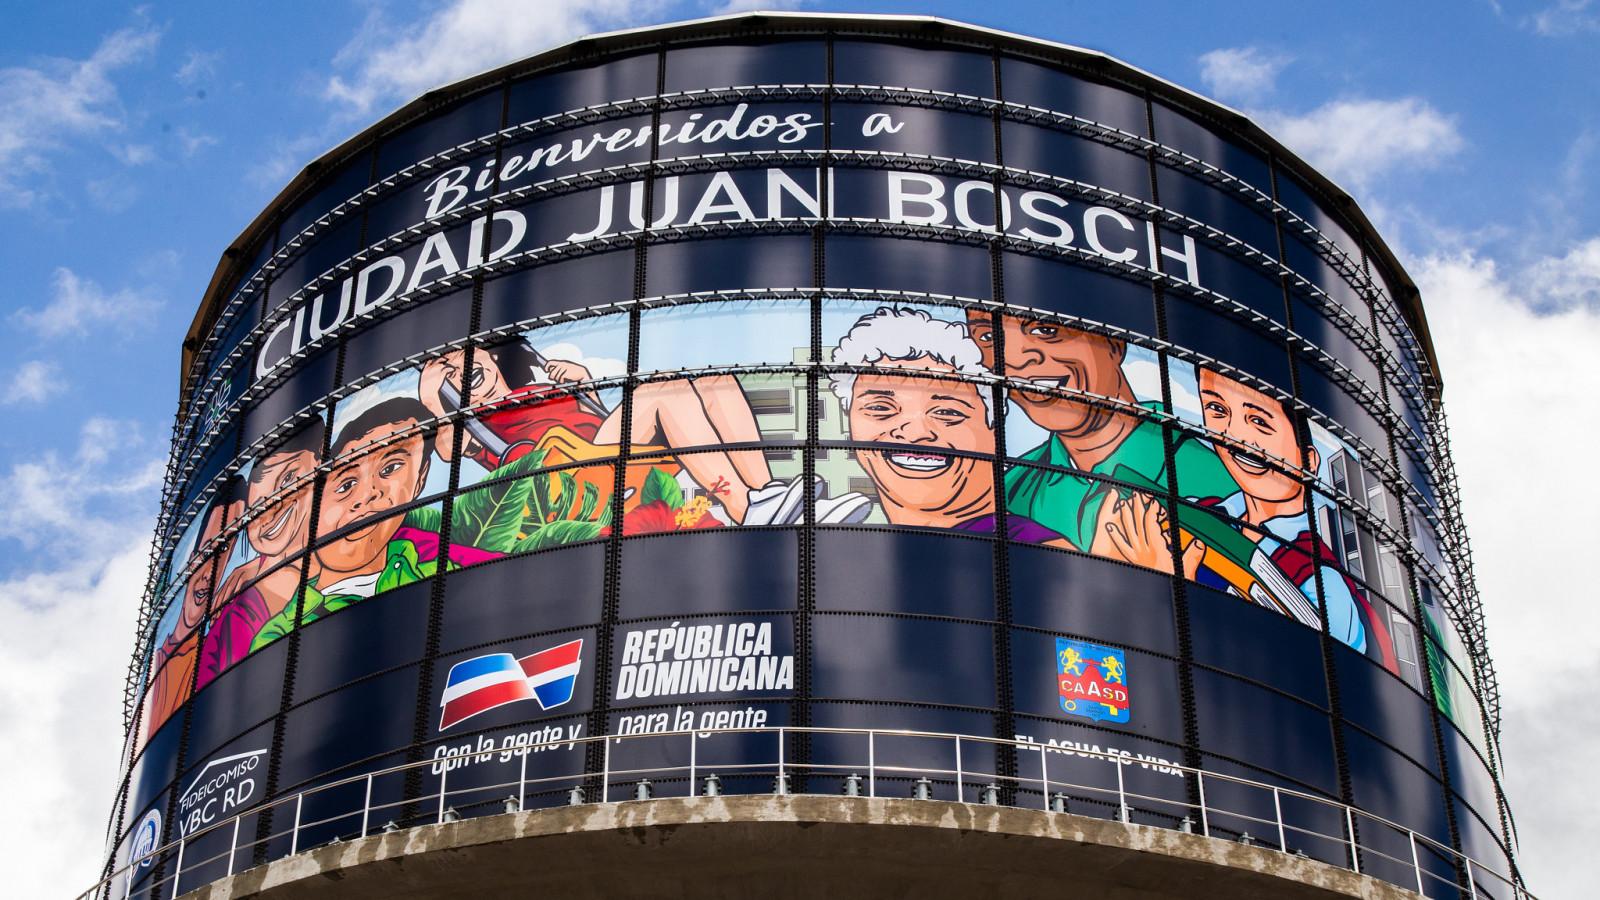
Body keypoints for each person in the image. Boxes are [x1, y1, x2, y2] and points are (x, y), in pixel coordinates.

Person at [420, 340, 865, 525]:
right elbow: (444, 448)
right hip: (561, 475)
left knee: (713, 381)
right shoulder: (469, 425)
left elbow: (596, 419)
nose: (455, 369)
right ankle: (745, 507)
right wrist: (432, 400)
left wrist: (583, 383)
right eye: (442, 371)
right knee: (661, 394)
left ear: (492, 358)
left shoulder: (537, 390)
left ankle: (766, 492)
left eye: (459, 357)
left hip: (597, 454)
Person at [965, 311, 1236, 568]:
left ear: (1114, 342)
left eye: (1046, 330)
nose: (1012, 359)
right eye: (988, 338)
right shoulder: (1007, 490)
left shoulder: (1215, 485)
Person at [1187, 367, 1398, 670]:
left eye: (1259, 421)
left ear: (1309, 462)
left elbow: (1331, 686)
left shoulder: (1322, 582)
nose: (1234, 436)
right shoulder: (1199, 513)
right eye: (1218, 410)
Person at [251, 397, 500, 649]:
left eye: (390, 468)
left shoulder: (444, 574)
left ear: (420, 480)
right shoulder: (278, 636)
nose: (368, 494)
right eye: (346, 484)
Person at [831, 307, 1061, 543]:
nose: (915, 433)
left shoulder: (1028, 549)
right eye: (880, 408)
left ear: (995, 430)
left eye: (946, 413)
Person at [197, 420, 323, 686]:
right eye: (258, 508)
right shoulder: (235, 617)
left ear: (321, 460)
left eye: (288, 480)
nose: (272, 512)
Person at [142, 481, 243, 740]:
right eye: (209, 550)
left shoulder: (220, 652)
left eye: (224, 551)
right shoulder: (155, 669)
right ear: (190, 558)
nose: (210, 573)